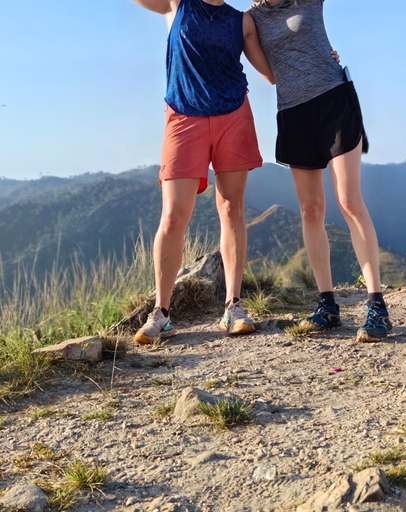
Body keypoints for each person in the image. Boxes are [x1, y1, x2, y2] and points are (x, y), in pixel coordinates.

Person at [130, 0, 275, 344]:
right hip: (184, 117)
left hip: (234, 115)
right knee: (173, 216)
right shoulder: (176, 4)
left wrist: (318, 59)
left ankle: (233, 307)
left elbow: (270, 73)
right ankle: (160, 313)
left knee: (231, 208)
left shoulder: (243, 22)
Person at [248, 0, 393, 342]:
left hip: (334, 102)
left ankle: (377, 308)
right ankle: (327, 306)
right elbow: (269, 74)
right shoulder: (250, 21)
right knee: (310, 209)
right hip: (294, 113)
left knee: (348, 200)